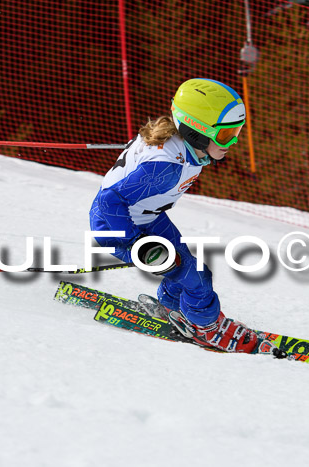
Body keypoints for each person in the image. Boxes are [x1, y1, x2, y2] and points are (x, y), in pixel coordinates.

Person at [89, 78, 266, 354]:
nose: (232, 141)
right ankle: (205, 328)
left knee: (192, 267)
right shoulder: (165, 169)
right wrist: (138, 245)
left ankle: (172, 310)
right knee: (195, 278)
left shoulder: (186, 147)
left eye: (237, 132)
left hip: (147, 217)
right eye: (224, 135)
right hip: (119, 226)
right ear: (197, 131)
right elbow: (109, 202)